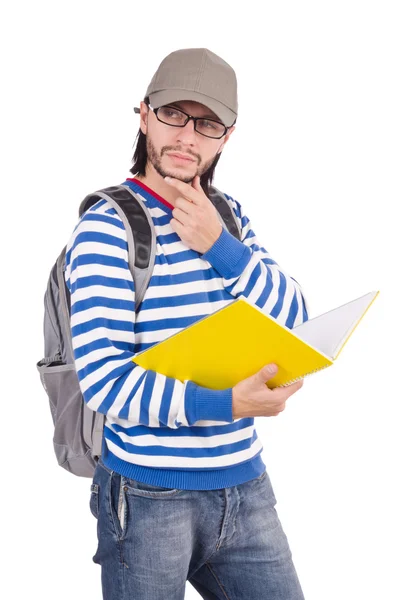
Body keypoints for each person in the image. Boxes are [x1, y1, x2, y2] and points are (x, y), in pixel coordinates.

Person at [65, 47, 308, 600]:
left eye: (207, 124)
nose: (187, 137)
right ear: (145, 114)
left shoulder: (229, 217)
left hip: (245, 488)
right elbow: (105, 384)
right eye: (174, 114)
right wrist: (227, 404)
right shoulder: (108, 228)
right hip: (149, 498)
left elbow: (293, 319)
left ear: (226, 137)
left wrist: (222, 248)